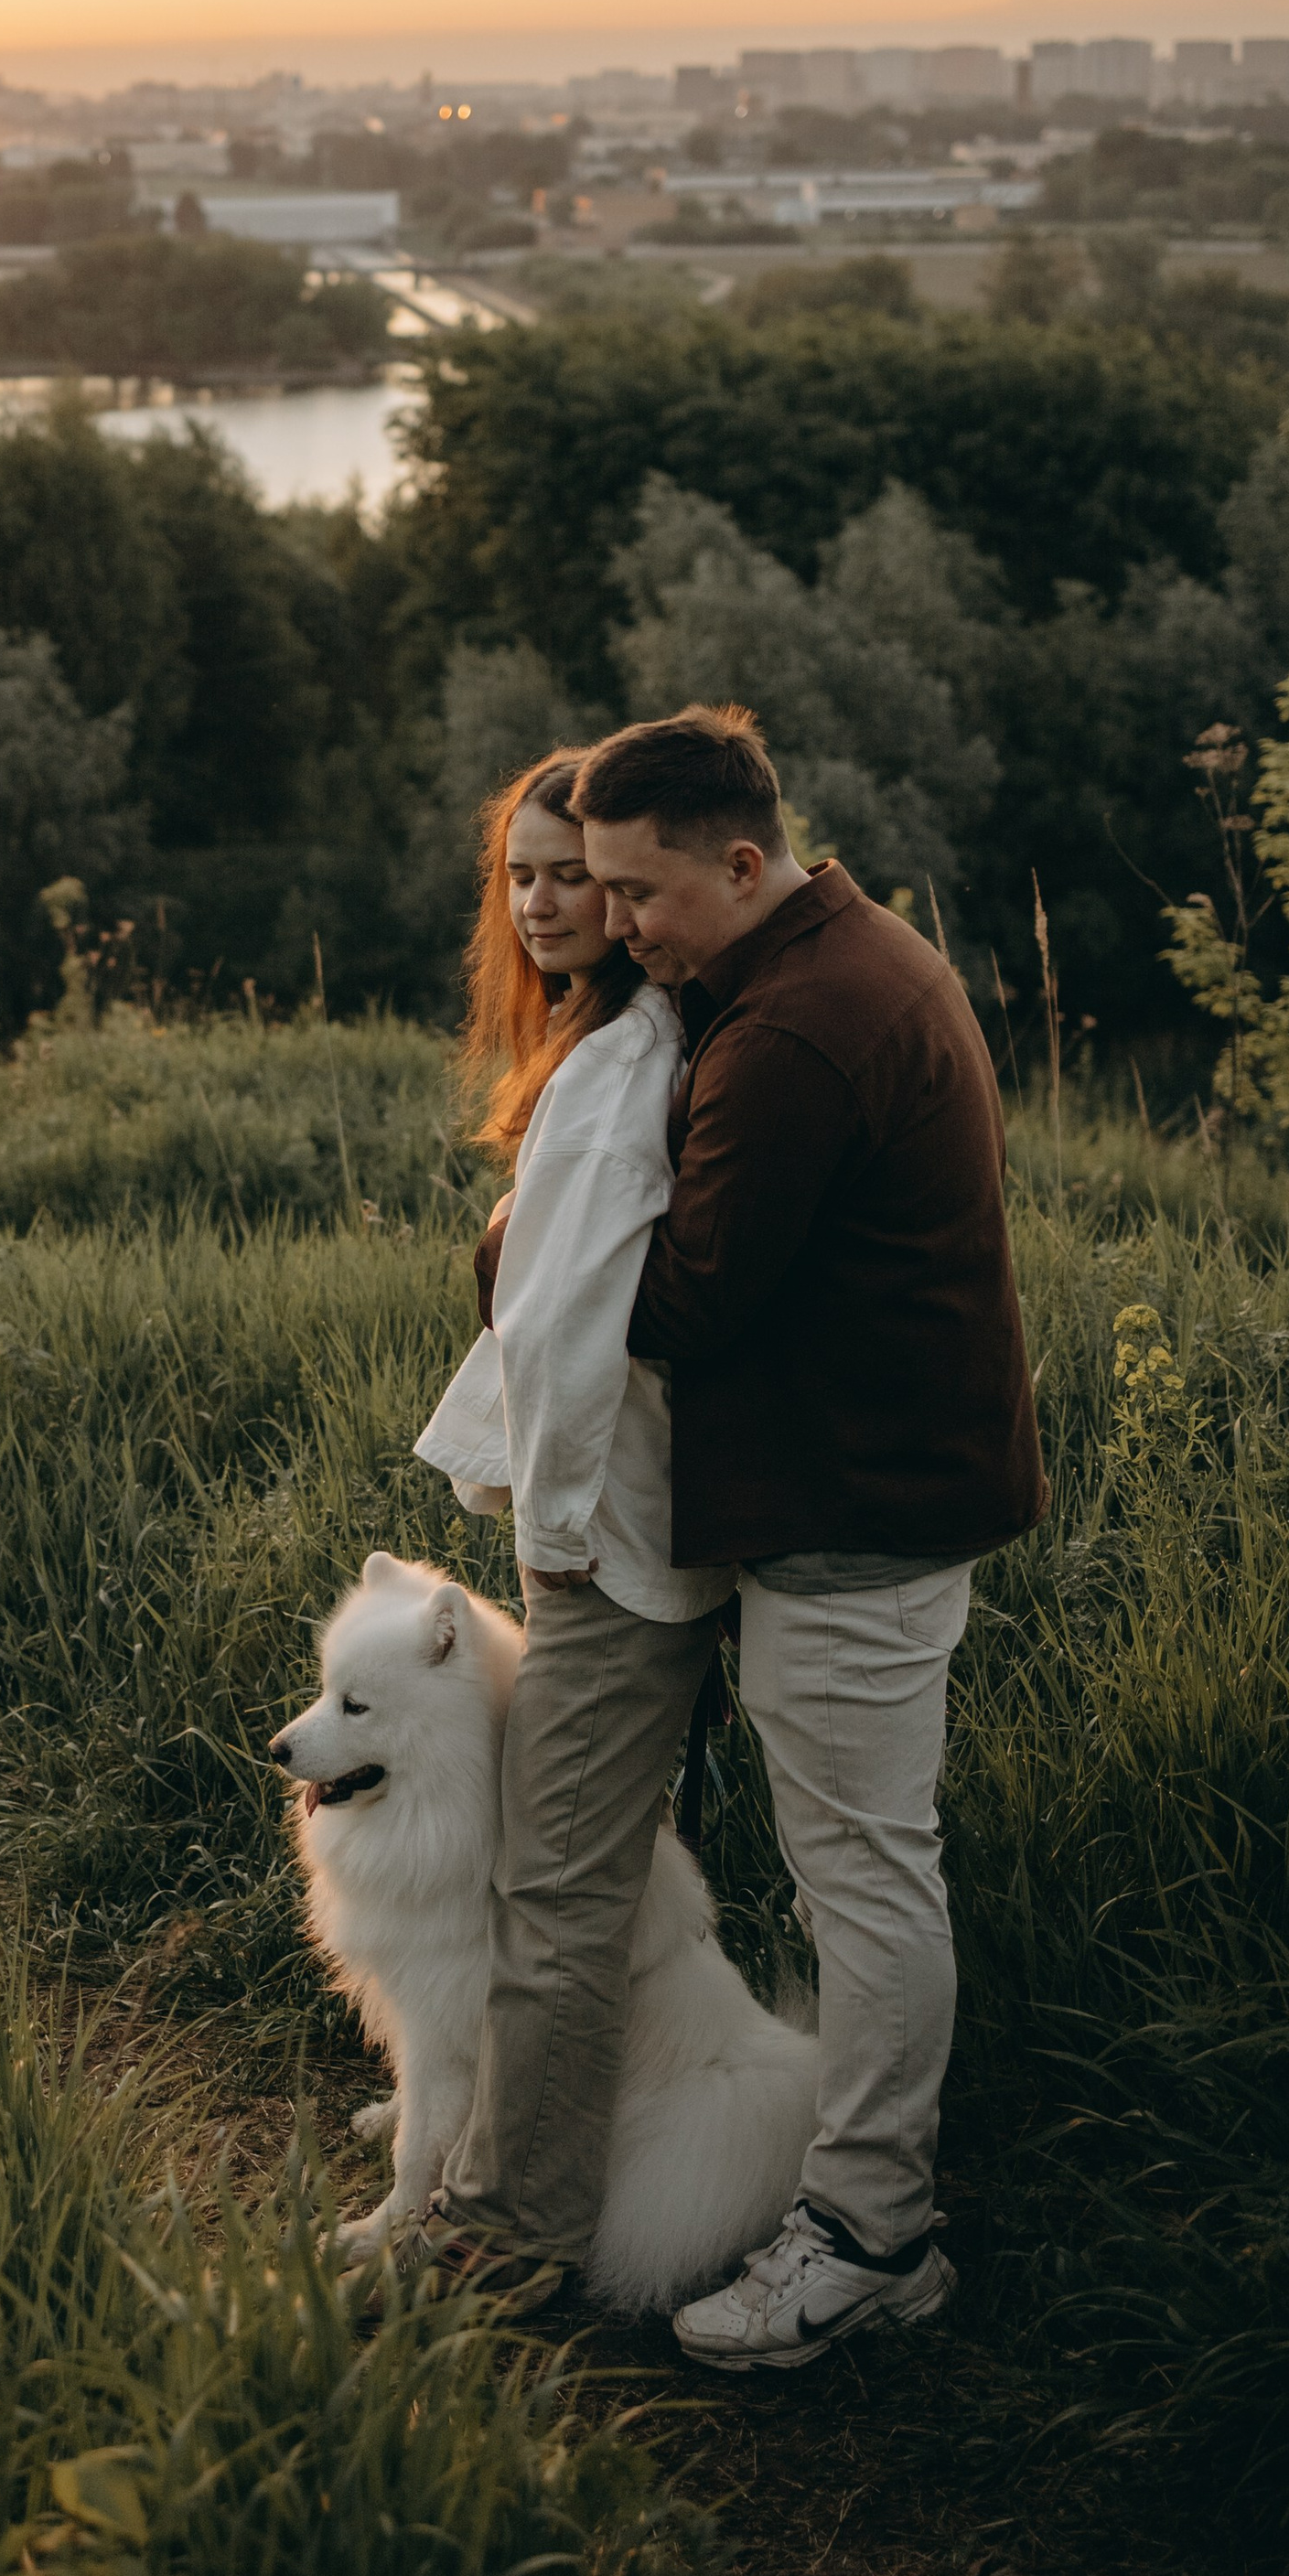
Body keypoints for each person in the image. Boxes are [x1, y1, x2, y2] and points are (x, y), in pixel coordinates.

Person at [575, 703, 1046, 2370]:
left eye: (639, 892)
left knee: (865, 1877)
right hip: (892, 1481)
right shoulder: (844, 955)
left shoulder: (795, 1034)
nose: (618, 923)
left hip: (860, 1509)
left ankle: (870, 2234)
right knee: (868, 1862)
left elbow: (690, 1298)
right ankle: (858, 2201)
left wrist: (521, 1248)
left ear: (743, 861)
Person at [402, 746, 732, 2316]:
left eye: (571, 874)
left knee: (555, 1887)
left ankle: (508, 2229)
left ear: (626, 881)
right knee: (568, 1871)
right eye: (519, 876)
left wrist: (549, 1539)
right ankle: (508, 2148)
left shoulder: (620, 1065)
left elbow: (569, 1340)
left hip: (607, 1531)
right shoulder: (601, 1045)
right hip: (609, 1516)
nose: (543, 904)